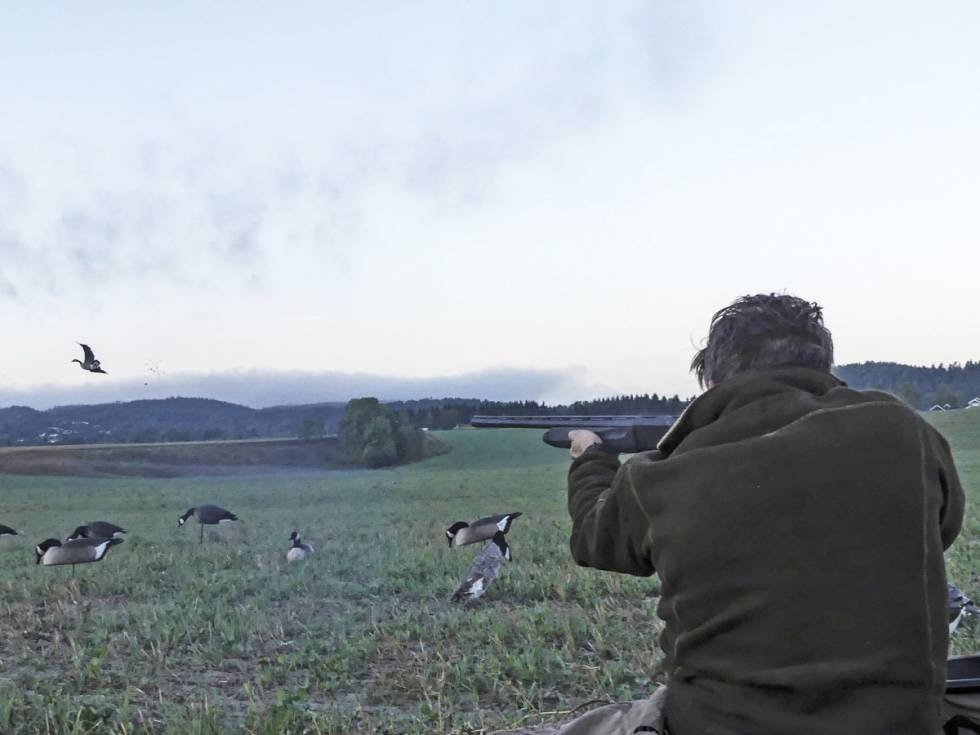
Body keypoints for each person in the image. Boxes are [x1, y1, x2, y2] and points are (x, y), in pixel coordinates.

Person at [550, 293, 964, 735]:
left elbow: (594, 539)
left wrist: (590, 457)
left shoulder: (660, 476)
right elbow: (944, 526)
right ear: (821, 365)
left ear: (712, 376)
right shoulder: (905, 432)